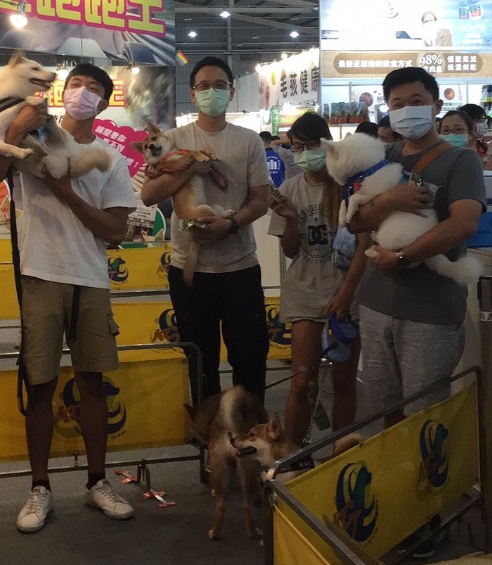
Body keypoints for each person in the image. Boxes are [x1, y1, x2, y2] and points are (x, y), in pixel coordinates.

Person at [0, 63, 136, 533]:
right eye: (75, 85)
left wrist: (68, 195)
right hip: (39, 272)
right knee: (40, 384)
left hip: (90, 277)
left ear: (104, 102)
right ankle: (39, 487)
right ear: (60, 91)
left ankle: (97, 482)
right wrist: (16, 129)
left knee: (92, 382)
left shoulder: (111, 159)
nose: (82, 93)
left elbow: (116, 230)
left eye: (93, 88)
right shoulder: (34, 135)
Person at [347, 67, 485, 430]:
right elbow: (354, 222)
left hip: (430, 310)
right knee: (382, 410)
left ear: (436, 106)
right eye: (397, 104)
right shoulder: (382, 155)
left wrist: (403, 257)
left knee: (425, 417)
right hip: (376, 303)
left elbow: (464, 223)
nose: (407, 110)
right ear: (388, 110)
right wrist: (389, 200)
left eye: (417, 101)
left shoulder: (461, 161)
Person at [141, 56, 270, 403]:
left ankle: (250, 429)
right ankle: (207, 431)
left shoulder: (249, 141)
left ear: (231, 92)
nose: (211, 92)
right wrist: (190, 168)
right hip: (189, 271)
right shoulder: (173, 139)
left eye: (219, 85)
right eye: (203, 86)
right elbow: (148, 194)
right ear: (193, 94)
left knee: (250, 361)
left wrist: (231, 224)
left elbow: (261, 200)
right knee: (200, 364)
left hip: (240, 268)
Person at [268, 112, 368, 446]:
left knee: (342, 381)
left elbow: (363, 245)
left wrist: (346, 293)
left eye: (310, 145)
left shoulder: (348, 186)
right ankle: (292, 458)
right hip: (304, 293)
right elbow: (290, 251)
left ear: (326, 144)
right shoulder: (289, 189)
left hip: (346, 294)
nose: (304, 153)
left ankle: (341, 455)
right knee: (301, 382)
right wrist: (290, 220)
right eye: (297, 146)